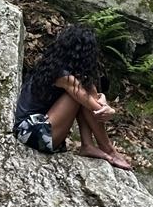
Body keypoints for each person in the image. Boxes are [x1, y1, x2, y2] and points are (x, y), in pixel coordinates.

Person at [12, 24, 132, 170]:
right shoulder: (63, 77)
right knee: (79, 96)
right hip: (30, 132)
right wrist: (110, 111)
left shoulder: (54, 67)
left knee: (86, 89)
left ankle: (88, 145)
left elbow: (91, 95)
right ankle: (107, 149)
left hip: (37, 129)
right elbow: (95, 107)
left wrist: (103, 98)